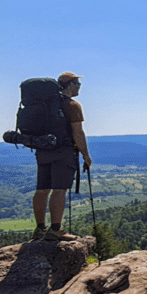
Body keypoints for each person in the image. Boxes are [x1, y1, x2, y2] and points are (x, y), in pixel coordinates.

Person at [31, 72, 93, 241]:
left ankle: (40, 228)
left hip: (43, 150)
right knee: (59, 190)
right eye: (77, 84)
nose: (79, 87)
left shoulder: (44, 105)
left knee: (42, 189)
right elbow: (78, 133)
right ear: (70, 85)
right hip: (63, 152)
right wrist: (86, 155)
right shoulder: (72, 105)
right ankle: (55, 229)